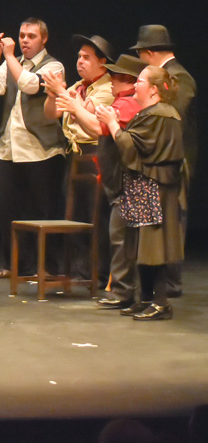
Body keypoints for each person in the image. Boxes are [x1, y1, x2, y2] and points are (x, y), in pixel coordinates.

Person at [95, 65, 185, 320]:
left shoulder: (161, 115)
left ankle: (160, 303)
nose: (135, 84)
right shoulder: (149, 114)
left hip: (154, 187)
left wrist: (112, 123)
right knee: (141, 246)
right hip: (143, 186)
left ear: (154, 90)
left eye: (141, 81)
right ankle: (145, 299)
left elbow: (132, 147)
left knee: (154, 246)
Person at [54, 54, 144, 309]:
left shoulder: (127, 103)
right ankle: (121, 290)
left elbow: (97, 128)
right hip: (116, 180)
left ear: (127, 80)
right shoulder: (120, 101)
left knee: (120, 238)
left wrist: (76, 108)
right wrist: (77, 110)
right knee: (117, 236)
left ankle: (123, 292)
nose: (111, 80)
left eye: (115, 77)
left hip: (125, 183)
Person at [0, 18, 66, 278]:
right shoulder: (13, 62)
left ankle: (48, 267)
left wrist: (9, 56)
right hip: (9, 148)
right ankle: (14, 265)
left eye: (31, 36)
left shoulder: (54, 65)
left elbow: (30, 85)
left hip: (41, 149)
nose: (24, 41)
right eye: (21, 36)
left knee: (44, 210)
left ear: (44, 39)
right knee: (7, 208)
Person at [132, 24, 197, 297]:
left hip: (172, 162)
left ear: (149, 53)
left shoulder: (179, 77)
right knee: (158, 222)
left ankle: (169, 283)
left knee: (172, 221)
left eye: (141, 55)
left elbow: (170, 119)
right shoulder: (169, 76)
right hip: (157, 161)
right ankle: (158, 284)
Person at [42, 34, 115, 280]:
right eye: (79, 57)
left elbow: (89, 118)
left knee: (97, 215)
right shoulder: (77, 87)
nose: (80, 61)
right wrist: (53, 95)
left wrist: (61, 92)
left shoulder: (107, 87)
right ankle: (79, 270)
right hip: (75, 156)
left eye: (87, 57)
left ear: (102, 62)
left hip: (96, 156)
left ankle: (99, 272)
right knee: (75, 215)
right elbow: (51, 114)